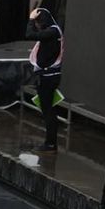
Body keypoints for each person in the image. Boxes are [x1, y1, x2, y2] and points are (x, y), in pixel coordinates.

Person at [26, 8, 64, 152]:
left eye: (37, 22)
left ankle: (50, 143)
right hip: (47, 75)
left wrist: (30, 19)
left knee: (48, 110)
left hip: (48, 77)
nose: (36, 26)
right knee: (48, 109)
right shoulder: (53, 31)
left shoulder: (52, 32)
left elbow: (29, 35)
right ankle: (50, 142)